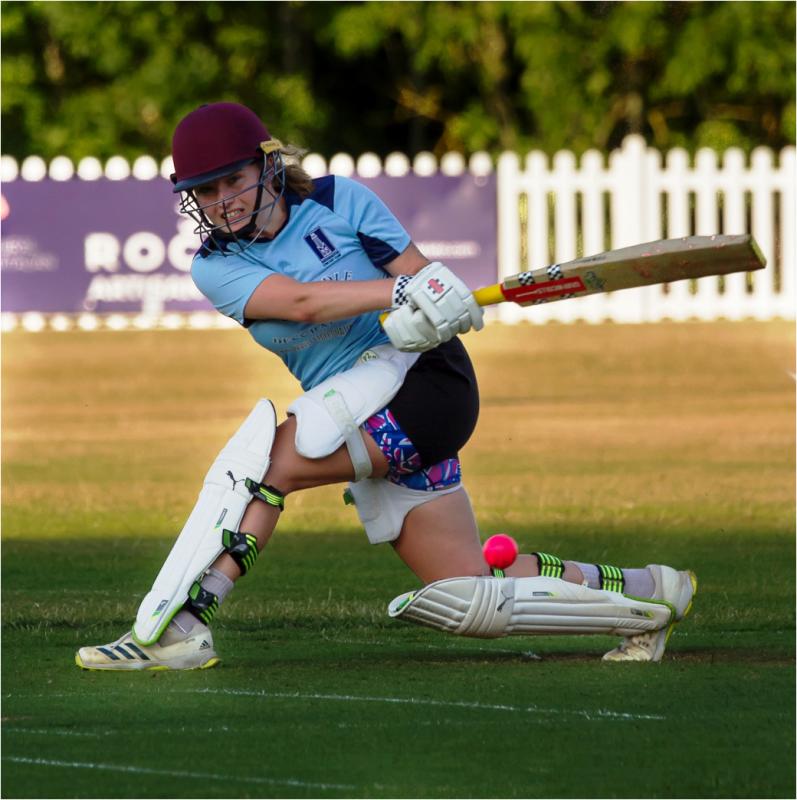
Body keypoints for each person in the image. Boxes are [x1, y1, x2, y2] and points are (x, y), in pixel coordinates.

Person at [76, 102, 696, 671]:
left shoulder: (339, 200)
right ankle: (649, 594)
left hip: (426, 386)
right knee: (467, 591)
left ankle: (184, 625)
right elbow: (301, 303)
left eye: (232, 180)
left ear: (268, 165)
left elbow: (420, 275)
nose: (222, 202)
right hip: (356, 402)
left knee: (267, 466)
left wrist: (436, 295)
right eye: (205, 191)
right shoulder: (216, 266)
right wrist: (399, 291)